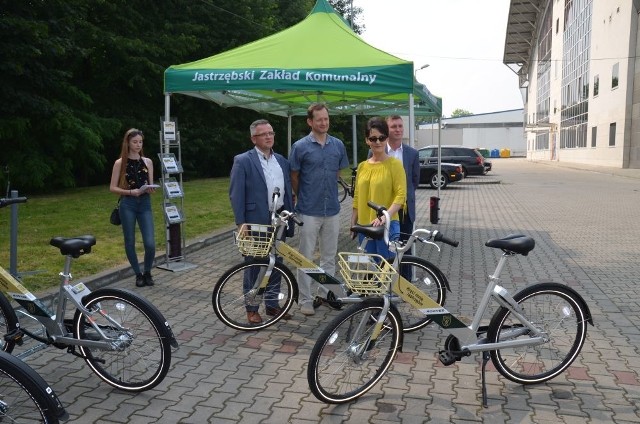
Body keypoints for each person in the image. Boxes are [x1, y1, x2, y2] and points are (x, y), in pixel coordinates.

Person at [229, 119, 295, 324]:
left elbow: (288, 190)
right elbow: (236, 193)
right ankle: (251, 308)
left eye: (271, 133)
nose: (268, 136)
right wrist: (241, 222)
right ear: (253, 138)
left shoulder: (282, 160)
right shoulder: (243, 160)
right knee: (254, 266)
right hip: (255, 220)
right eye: (263, 134)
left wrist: (290, 215)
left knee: (277, 264)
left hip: (279, 219)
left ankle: (272, 305)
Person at [289, 103, 349, 315]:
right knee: (305, 257)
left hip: (332, 209)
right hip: (308, 210)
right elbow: (294, 176)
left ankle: (324, 294)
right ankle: (305, 299)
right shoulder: (300, 147)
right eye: (319, 119)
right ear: (310, 121)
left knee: (329, 256)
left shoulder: (338, 145)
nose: (324, 123)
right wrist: (304, 195)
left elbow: (336, 174)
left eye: (326, 118)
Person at [352, 117, 406, 259]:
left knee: (386, 270)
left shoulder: (395, 165)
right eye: (373, 138)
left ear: (387, 139)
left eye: (381, 138)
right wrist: (352, 223)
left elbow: (401, 197)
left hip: (387, 226)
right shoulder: (362, 166)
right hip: (364, 226)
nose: (377, 142)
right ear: (367, 140)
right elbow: (357, 197)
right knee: (369, 271)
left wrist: (384, 216)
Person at [110, 128, 157, 287]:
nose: (138, 145)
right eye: (135, 142)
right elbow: (112, 188)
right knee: (129, 240)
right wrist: (131, 192)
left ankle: (148, 271)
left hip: (145, 203)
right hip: (128, 203)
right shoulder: (120, 163)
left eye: (140, 142)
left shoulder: (148, 161)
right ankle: (138, 274)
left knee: (150, 243)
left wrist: (150, 189)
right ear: (128, 143)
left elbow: (149, 183)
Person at [385, 115, 420, 278]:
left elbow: (414, 181)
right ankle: (385, 282)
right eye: (393, 126)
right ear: (387, 129)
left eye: (400, 126)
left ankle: (405, 283)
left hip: (405, 209)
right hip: (385, 208)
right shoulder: (376, 150)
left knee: (405, 247)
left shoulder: (412, 154)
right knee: (386, 246)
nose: (398, 129)